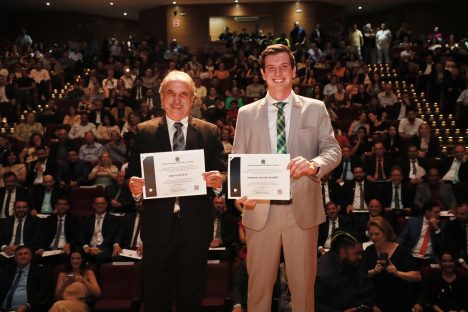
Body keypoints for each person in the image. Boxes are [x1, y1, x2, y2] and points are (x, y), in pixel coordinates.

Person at [232, 44, 341, 311]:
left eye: (283, 67)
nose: (277, 73)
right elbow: (237, 161)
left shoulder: (315, 109)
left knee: (303, 293)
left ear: (294, 71)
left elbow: (333, 150)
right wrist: (238, 196)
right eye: (271, 68)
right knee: (258, 292)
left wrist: (314, 165)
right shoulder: (246, 114)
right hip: (260, 212)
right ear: (262, 73)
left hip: (301, 212)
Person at [127, 71, 226, 311]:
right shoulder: (144, 131)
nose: (177, 100)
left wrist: (218, 182)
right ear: (161, 98)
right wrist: (136, 190)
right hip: (156, 230)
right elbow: (131, 177)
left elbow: (223, 173)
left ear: (193, 99)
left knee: (191, 299)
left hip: (195, 230)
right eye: (171, 93)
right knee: (155, 300)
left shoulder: (209, 131)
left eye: (184, 94)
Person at [363, 217, 421, 312]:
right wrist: (374, 271)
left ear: (386, 233)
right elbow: (360, 276)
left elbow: (417, 277)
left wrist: (397, 273)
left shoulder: (402, 251)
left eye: (376, 234)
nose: (373, 237)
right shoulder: (369, 251)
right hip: (375, 302)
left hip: (399, 300)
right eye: (371, 234)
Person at [315, 230, 378, 311]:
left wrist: (373, 306)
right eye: (357, 253)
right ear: (343, 252)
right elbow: (316, 305)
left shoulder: (356, 263)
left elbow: (367, 289)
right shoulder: (322, 272)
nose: (360, 257)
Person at [0, 245, 49, 312]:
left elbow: (43, 293)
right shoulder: (7, 271)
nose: (23, 256)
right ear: (15, 258)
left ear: (31, 256)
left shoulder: (40, 271)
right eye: (19, 254)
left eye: (26, 253)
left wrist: (28, 305)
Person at [79, 196, 120, 265]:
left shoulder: (112, 219)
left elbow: (110, 237)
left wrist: (99, 248)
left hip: (104, 247)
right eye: (97, 204)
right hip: (89, 246)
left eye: (102, 203)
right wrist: (85, 246)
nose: (100, 205)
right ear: (93, 205)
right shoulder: (87, 218)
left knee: (101, 257)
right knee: (77, 253)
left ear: (106, 205)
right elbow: (80, 235)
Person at [443, 203, 468, 269]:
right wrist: (462, 261)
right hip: (459, 258)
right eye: (457, 213)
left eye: (462, 214)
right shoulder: (451, 225)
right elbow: (451, 246)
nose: (459, 216)